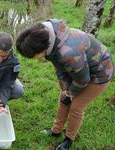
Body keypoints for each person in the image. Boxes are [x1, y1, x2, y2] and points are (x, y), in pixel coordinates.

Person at [16, 19, 113, 150]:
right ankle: (56, 131)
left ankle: (69, 139)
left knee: (76, 106)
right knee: (64, 98)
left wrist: (71, 92)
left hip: (101, 72)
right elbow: (59, 67)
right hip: (80, 68)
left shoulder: (68, 53)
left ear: (42, 48)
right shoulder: (49, 36)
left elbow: (83, 80)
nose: (34, 59)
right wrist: (65, 90)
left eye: (34, 56)